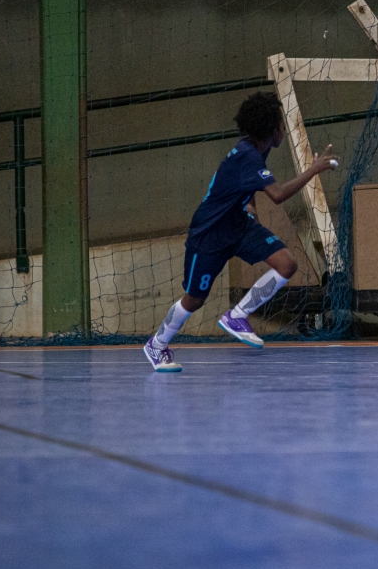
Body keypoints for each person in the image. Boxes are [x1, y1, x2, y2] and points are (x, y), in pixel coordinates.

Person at [143, 92, 338, 371]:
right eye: (282, 124)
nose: (284, 128)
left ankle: (237, 315)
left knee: (286, 264)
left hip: (239, 224)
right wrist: (313, 170)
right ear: (272, 131)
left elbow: (247, 184)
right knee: (194, 300)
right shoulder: (248, 155)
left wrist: (250, 206)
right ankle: (157, 344)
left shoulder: (257, 149)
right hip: (209, 235)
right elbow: (278, 194)